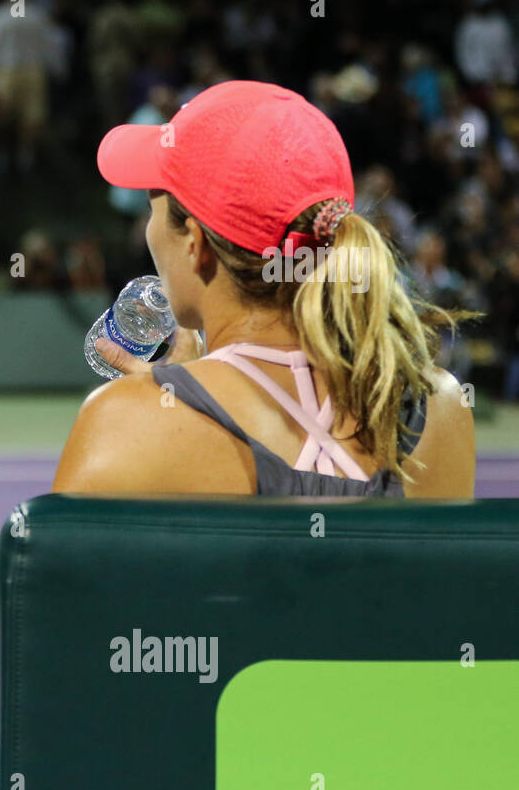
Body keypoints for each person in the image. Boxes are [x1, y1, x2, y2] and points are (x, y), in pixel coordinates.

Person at [54, 80, 476, 498]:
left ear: (194, 244)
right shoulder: (442, 408)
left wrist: (163, 402)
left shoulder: (121, 420)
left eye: (152, 207)